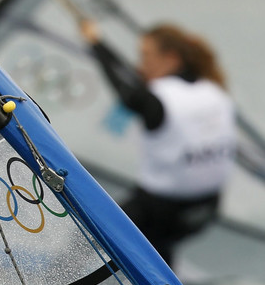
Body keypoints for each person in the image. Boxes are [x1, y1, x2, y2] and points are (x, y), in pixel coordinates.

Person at [79, 19, 236, 266]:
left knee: (88, 237)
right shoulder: (215, 91)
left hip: (163, 211)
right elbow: (134, 84)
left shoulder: (160, 99)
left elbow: (127, 91)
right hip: (206, 209)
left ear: (171, 58)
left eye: (145, 56)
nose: (140, 66)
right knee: (159, 248)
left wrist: (95, 43)